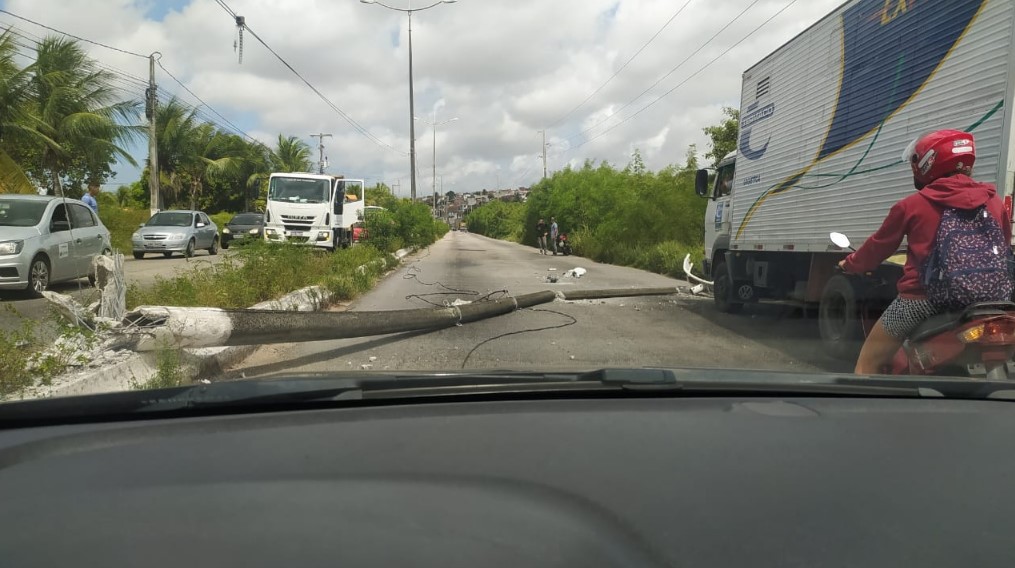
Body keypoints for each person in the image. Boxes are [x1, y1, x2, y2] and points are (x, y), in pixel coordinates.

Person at [839, 129, 1012, 375]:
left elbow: (878, 247)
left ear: (926, 163)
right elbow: (1003, 246)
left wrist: (851, 264)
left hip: (922, 300)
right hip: (987, 302)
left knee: (869, 360)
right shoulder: (993, 201)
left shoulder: (911, 205)